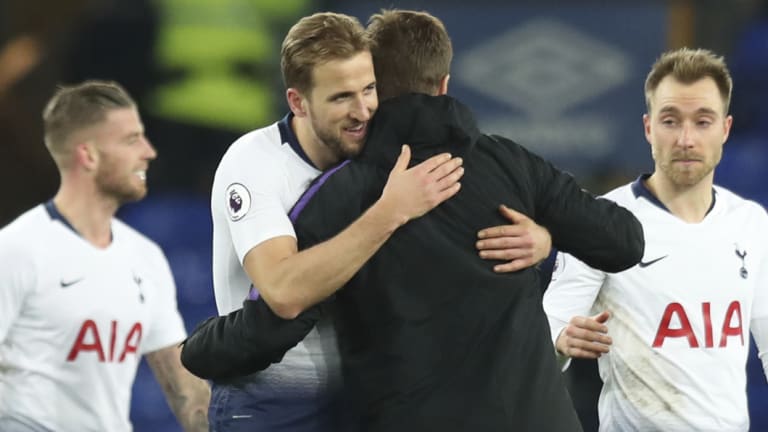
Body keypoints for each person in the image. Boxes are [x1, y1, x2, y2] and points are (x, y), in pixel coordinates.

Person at [183, 9, 645, 432]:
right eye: (343, 96)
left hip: (368, 401)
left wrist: (545, 240)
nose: (362, 110)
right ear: (298, 102)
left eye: (367, 92)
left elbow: (274, 319)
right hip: (279, 398)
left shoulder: (354, 183)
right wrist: (389, 212)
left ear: (379, 86)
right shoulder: (267, 164)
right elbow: (285, 295)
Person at [543, 48, 768, 432]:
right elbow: (546, 333)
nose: (685, 139)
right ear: (648, 128)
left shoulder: (751, 222)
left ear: (726, 129)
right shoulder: (600, 221)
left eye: (702, 121)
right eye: (670, 120)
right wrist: (560, 341)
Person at [0, 81, 210, 431]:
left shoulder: (145, 256)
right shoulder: (18, 250)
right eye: (131, 140)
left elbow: (184, 389)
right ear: (89, 155)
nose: (148, 151)